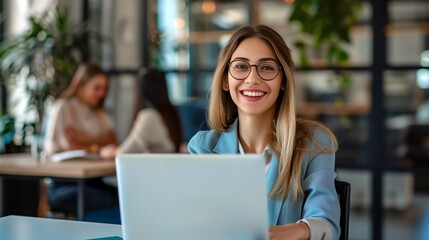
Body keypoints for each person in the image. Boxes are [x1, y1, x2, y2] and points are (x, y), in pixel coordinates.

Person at [187, 25, 340, 240]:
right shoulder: (203, 146)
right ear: (224, 79)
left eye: (266, 68)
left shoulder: (313, 142)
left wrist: (295, 231)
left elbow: (327, 224)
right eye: (241, 66)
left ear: (283, 80)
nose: (252, 79)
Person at [44, 62, 118, 214]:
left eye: (104, 89)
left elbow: (113, 141)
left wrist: (83, 138)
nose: (102, 93)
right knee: (114, 199)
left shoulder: (99, 112)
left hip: (94, 181)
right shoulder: (64, 107)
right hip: (66, 183)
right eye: (97, 88)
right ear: (80, 86)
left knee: (123, 195)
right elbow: (71, 146)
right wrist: (100, 144)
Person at [100, 68, 183, 159]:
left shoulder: (149, 116)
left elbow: (123, 153)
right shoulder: (170, 113)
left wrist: (106, 152)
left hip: (156, 170)